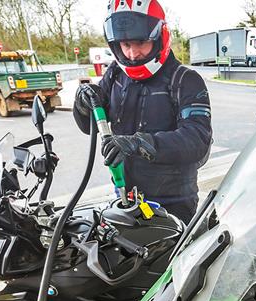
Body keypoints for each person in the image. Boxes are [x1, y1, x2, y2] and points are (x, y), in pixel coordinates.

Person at [72, 0, 212, 223]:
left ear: (159, 38)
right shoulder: (116, 75)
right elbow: (89, 126)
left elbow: (197, 139)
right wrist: (82, 104)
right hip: (126, 196)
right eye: (125, 44)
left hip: (173, 204)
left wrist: (138, 143)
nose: (133, 53)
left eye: (140, 42)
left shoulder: (186, 80)